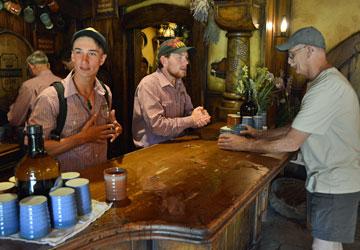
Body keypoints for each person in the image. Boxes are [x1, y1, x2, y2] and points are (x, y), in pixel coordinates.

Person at [218, 26, 360, 250]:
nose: (291, 62)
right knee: (330, 244)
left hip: (335, 182)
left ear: (310, 50)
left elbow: (293, 141)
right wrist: (260, 134)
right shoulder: (322, 83)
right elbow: (297, 127)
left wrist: (245, 144)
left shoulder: (328, 88)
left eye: (293, 55)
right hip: (332, 180)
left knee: (322, 245)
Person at [29, 27, 122, 171]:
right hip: (64, 188)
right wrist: (83, 138)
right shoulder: (51, 98)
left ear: (102, 59)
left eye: (92, 53)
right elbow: (36, 148)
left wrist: (113, 125)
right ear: (72, 56)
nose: (84, 60)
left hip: (100, 176)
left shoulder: (105, 92)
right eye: (79, 52)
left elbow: (105, 124)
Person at [132, 38, 211, 148]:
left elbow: (188, 112)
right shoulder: (148, 84)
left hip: (178, 145)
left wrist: (199, 115)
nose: (186, 62)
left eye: (186, 58)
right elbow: (157, 126)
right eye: (179, 58)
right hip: (152, 152)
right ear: (164, 61)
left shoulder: (179, 82)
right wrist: (192, 120)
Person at [7, 50, 61, 126]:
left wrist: (11, 111)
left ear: (31, 66)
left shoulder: (29, 86)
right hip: (62, 132)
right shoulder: (63, 82)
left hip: (39, 133)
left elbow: (16, 119)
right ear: (47, 65)